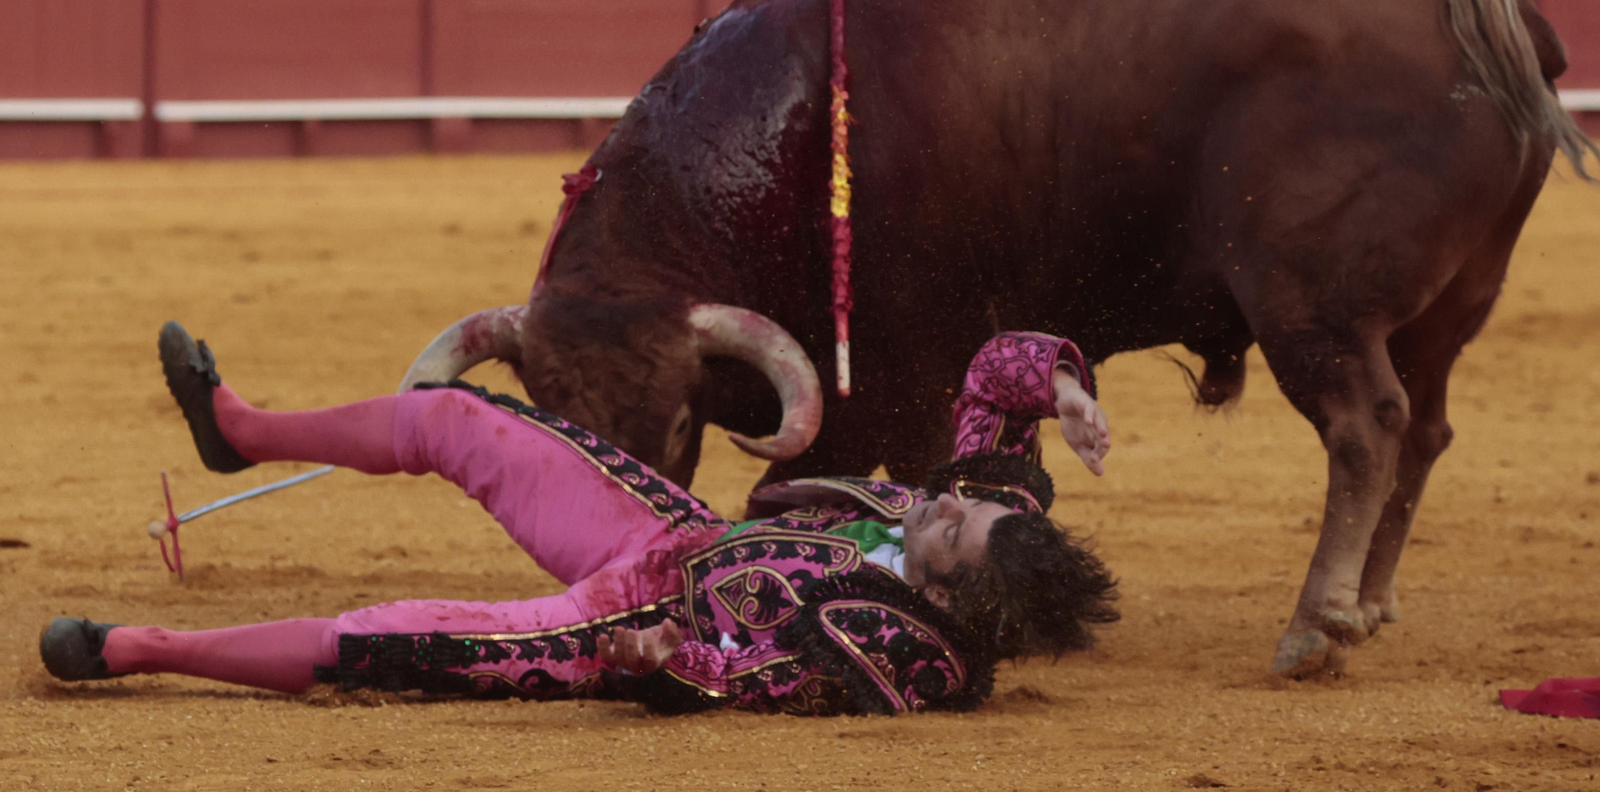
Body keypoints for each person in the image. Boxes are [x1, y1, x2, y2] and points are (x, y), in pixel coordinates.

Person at [39, 324, 1116, 715]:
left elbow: (756, 675)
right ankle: (242, 427)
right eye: (960, 501)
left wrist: (658, 662)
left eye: (946, 528)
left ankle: (138, 650)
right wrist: (1060, 380)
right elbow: (989, 373)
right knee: (464, 418)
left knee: (396, 636)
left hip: (629, 612)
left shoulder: (905, 651)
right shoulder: (1004, 524)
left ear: (941, 590)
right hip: (675, 529)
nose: (940, 498)